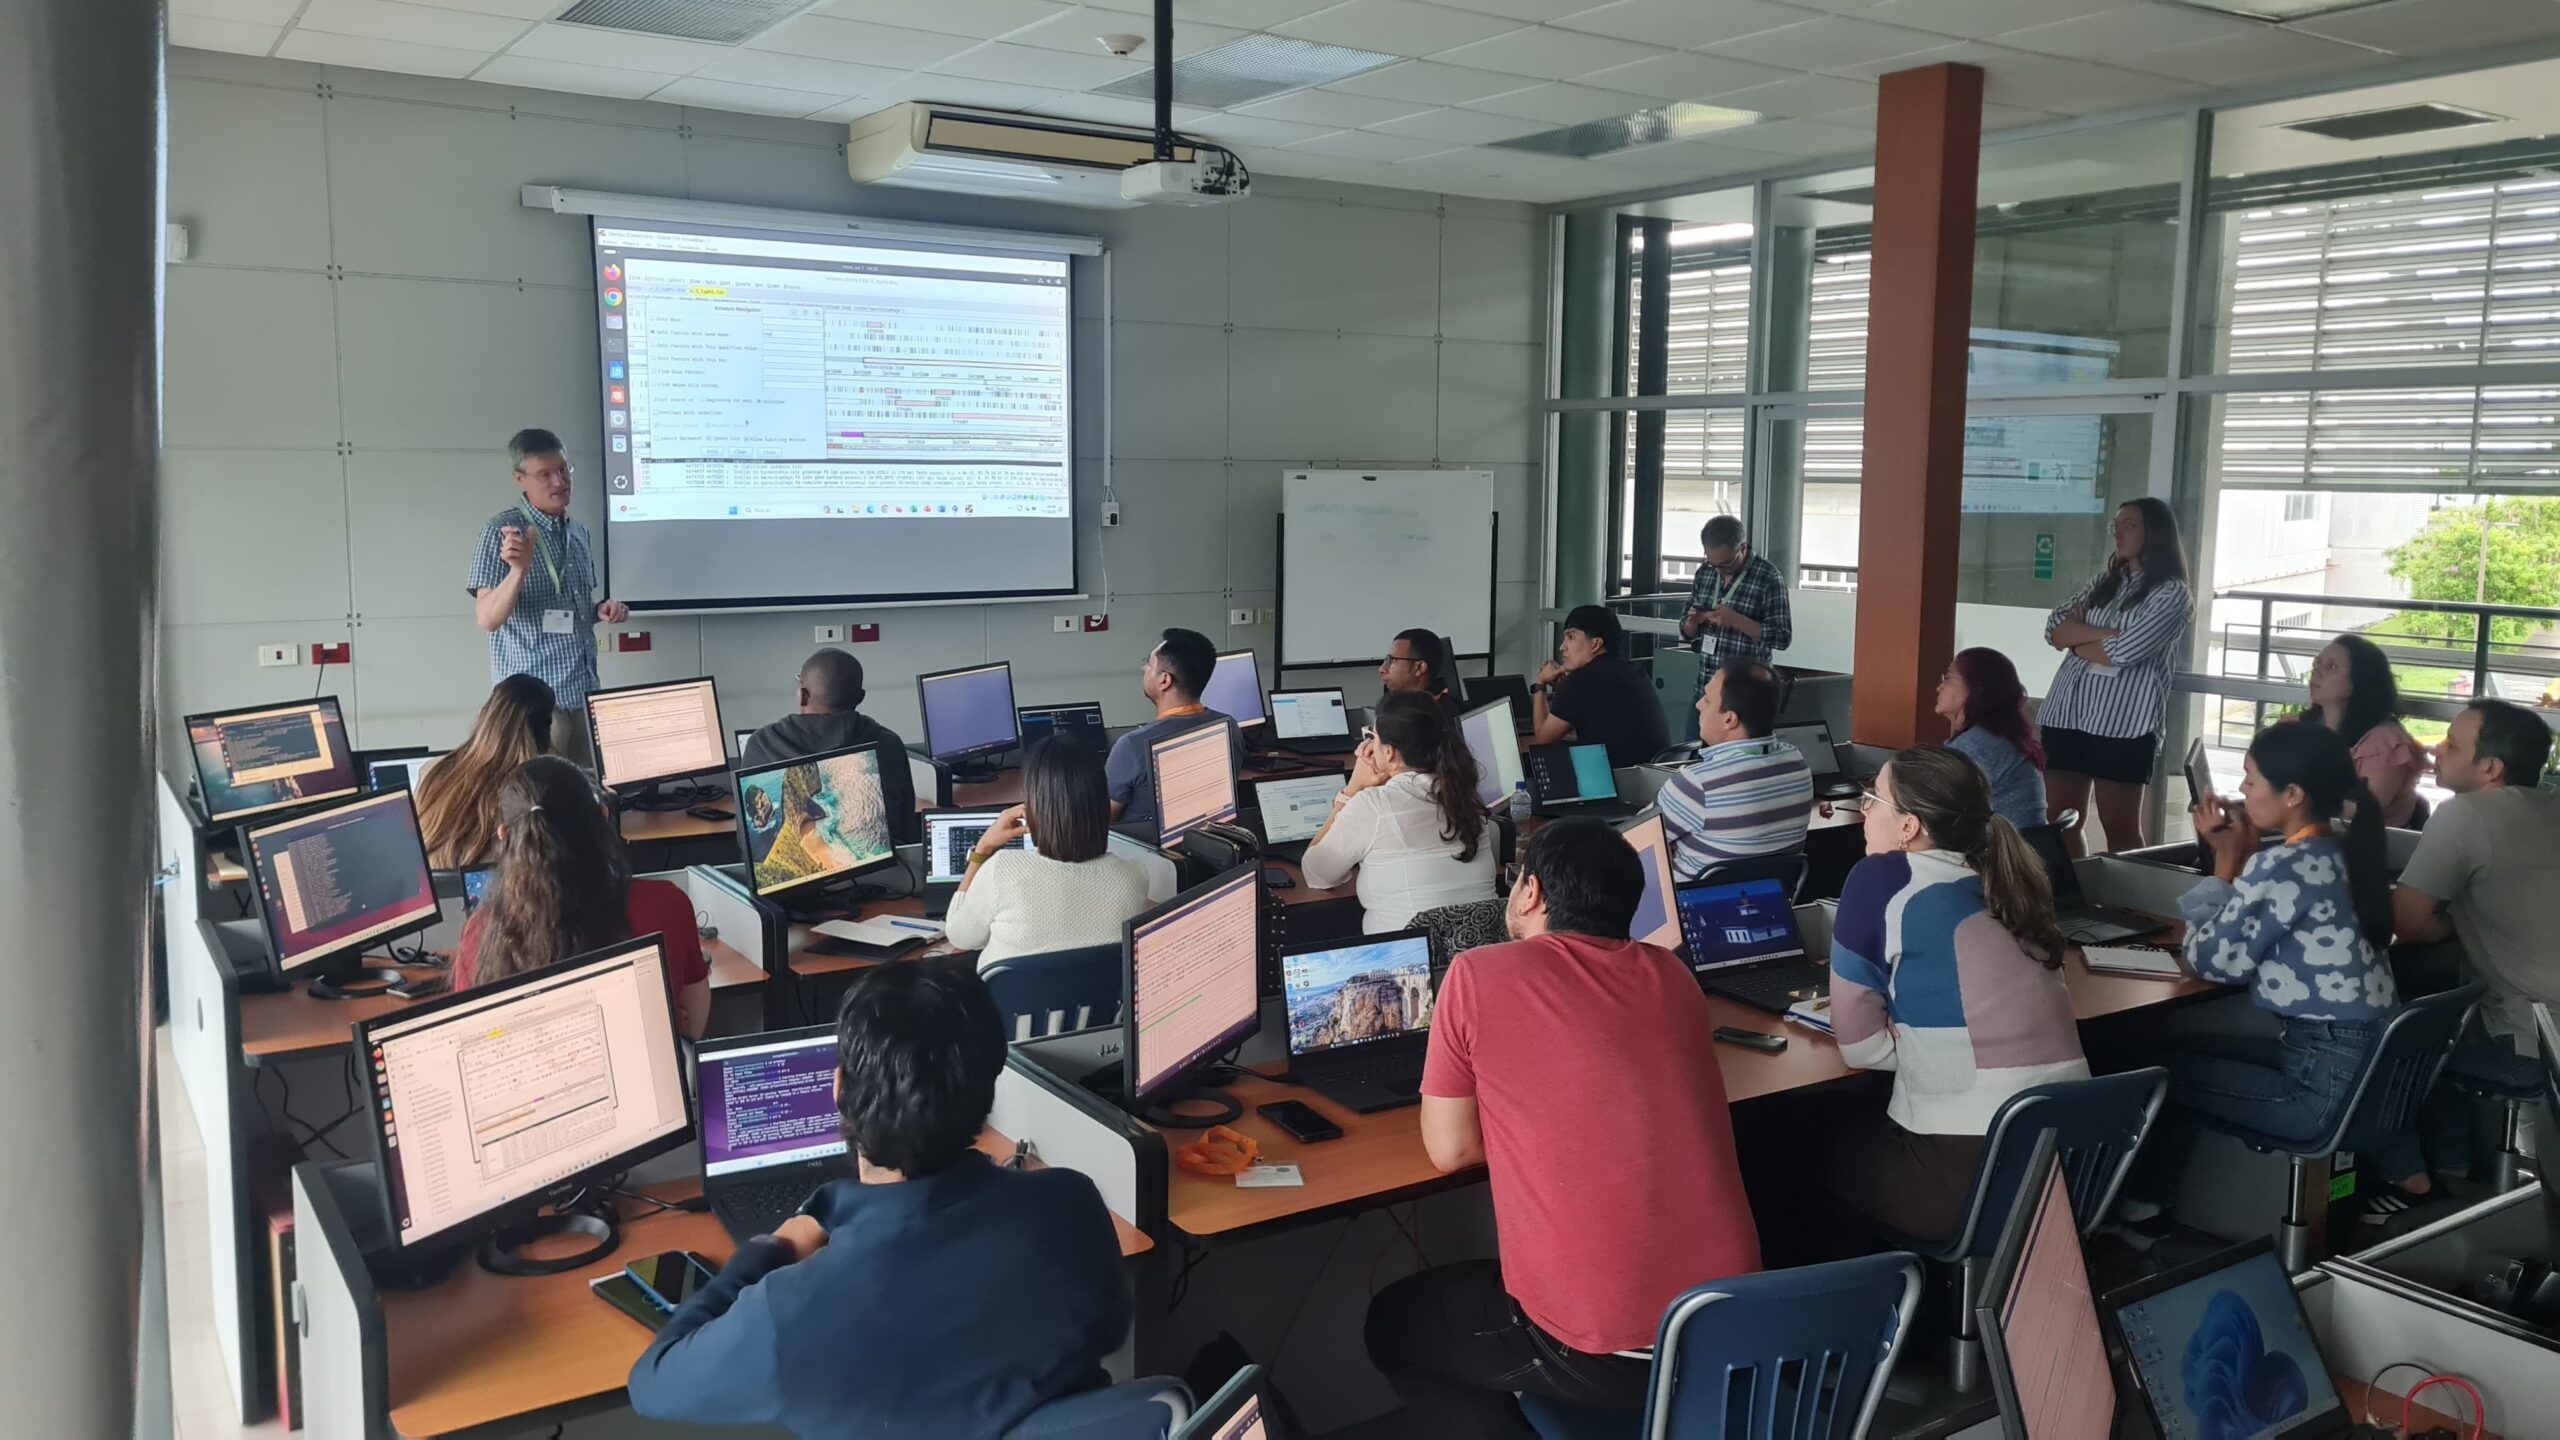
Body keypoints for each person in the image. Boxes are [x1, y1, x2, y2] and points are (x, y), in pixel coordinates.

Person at [1363, 820, 1760, 1435]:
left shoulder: (1476, 973)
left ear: (1531, 893)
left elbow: (1451, 1149)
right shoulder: (1675, 977)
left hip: (1604, 1350)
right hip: (1727, 1324)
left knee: (1393, 1323)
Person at [628, 964, 1130, 1438]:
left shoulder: (787, 1313)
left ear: (838, 1088)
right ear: (990, 1086)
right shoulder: (1072, 1204)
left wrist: (768, 1250)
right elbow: (1109, 1331)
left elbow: (652, 1382)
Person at [2117, 722, 2420, 1233]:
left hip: (2321, 1083)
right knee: (2186, 1059)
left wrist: (2227, 861)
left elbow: (2210, 960)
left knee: (2156, 1076)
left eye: (2251, 781)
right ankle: (2146, 1211)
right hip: (2364, 1068)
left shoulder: (2282, 866)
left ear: (2294, 794)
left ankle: (2140, 1217)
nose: (2242, 792)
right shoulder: (2344, 845)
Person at [1824, 745, 2088, 1242]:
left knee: (1789, 1142)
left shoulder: (1882, 878)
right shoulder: (2005, 883)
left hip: (1974, 1181)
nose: (1864, 809)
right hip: (2070, 1171)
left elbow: (1859, 1050)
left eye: (1873, 798)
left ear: (1909, 826)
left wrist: (1921, 1044)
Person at [453, 756, 711, 1039]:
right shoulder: (667, 904)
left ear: (503, 835)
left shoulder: (481, 933)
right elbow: (691, 1030)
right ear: (603, 816)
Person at [2393, 700, 2560, 1044]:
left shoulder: (2465, 813)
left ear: (2490, 769)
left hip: (2536, 1035)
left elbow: (2410, 923)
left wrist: (2461, 917)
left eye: (2451, 745)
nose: (2436, 749)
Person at [466, 428, 628, 771]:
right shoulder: (502, 531)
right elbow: (487, 618)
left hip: (583, 696)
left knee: (589, 802)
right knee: (539, 809)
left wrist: (602, 610)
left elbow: (574, 609)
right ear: (520, 479)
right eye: (545, 474)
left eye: (564, 469)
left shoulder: (577, 531)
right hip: (535, 710)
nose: (559, 481)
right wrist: (517, 571)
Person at [2039, 497, 2193, 855]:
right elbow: (2054, 630)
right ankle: (2074, 900)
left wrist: (2080, 635)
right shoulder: (2104, 582)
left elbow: (2125, 653)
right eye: (2116, 525)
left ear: (2154, 532)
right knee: (2060, 822)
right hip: (2068, 713)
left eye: (2129, 525)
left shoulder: (2171, 593)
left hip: (2123, 725)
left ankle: (2124, 908)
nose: (2118, 533)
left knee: (2121, 831)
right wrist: (2103, 635)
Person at [943, 740, 1151, 969]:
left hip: (1011, 1005)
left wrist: (981, 850)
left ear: (1034, 803)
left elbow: (961, 938)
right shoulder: (1134, 875)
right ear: (1100, 802)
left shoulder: (1002, 870)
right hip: (1102, 1006)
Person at [1300, 692, 1499, 931]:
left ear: (1389, 752)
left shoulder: (1373, 805)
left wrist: (1352, 790)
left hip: (1406, 962)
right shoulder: (1465, 795)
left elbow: (1317, 873)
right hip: (1475, 956)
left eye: (1372, 737)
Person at [743, 647, 920, 843]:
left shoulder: (762, 744)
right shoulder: (888, 744)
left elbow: (746, 841)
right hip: (885, 872)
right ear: (860, 698)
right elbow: (906, 830)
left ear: (802, 695)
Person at [1656, 659, 1813, 879]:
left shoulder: (1699, 784)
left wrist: (1668, 847)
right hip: (1771, 905)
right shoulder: (1797, 765)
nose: (1699, 705)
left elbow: (1634, 844)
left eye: (1708, 700)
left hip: (1691, 909)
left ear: (1729, 719)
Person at [1104, 628, 1242, 832]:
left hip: (1146, 855)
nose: (1144, 669)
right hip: (1209, 849)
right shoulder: (1229, 727)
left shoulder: (1132, 746)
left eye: (1149, 664)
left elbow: (1101, 821)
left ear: (1164, 680)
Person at [414, 674, 555, 869]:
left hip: (434, 894)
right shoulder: (533, 794)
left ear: (485, 715)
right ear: (546, 733)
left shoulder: (432, 771)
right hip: (497, 895)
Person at [2303, 633, 2423, 828]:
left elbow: (2357, 814)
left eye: (2331, 667)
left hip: (2366, 849)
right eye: (2317, 664)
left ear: (2359, 680)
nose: (2316, 672)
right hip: (2308, 835)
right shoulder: (2302, 726)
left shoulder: (2385, 742)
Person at [1530, 604, 1668, 768]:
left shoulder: (1581, 679)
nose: (1562, 647)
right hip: (1652, 777)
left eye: (1571, 637)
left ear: (1595, 644)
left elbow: (1542, 741)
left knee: (1535, 763)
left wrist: (1540, 686)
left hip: (1620, 782)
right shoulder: (1634, 671)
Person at [1936, 648, 2049, 832]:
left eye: (1948, 679)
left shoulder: (1979, 745)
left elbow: (1932, 804)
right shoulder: (1992, 736)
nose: (1939, 687)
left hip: (2000, 854)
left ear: (1977, 688)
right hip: (2018, 848)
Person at [1679, 516, 1792, 692]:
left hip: (1746, 694)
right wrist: (1691, 623)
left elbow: (1782, 637)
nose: (1718, 570)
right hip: (1706, 688)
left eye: (1725, 564)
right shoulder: (1705, 572)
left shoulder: (1768, 578)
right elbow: (1687, 630)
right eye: (1711, 562)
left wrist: (1736, 620)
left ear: (1743, 548)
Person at [1379, 626, 1467, 729]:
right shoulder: (1404, 706)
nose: (1382, 669)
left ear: (1419, 668)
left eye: (1392, 660)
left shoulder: (1432, 719)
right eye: (1386, 660)